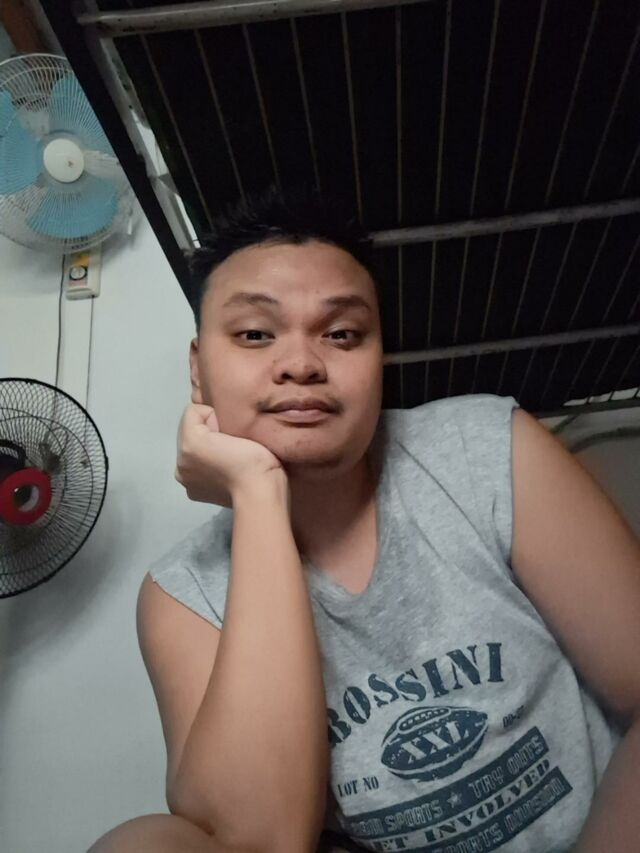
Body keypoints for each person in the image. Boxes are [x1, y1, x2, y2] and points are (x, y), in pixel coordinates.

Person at [89, 185, 640, 853]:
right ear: (199, 369)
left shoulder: (485, 448)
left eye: (342, 334)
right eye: (255, 334)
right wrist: (257, 493)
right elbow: (261, 840)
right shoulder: (183, 593)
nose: (301, 364)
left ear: (379, 360)